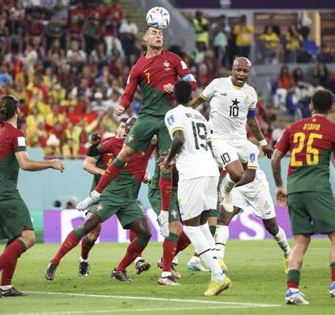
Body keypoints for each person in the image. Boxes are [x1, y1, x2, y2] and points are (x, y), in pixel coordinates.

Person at [79, 26, 196, 239]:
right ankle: (95, 195)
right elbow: (128, 93)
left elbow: (191, 82)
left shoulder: (174, 59)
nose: (158, 35)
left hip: (168, 119)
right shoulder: (139, 66)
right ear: (145, 38)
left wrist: (177, 85)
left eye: (160, 32)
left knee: (166, 165)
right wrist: (122, 106)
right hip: (147, 118)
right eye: (153, 32)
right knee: (124, 153)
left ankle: (162, 215)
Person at [0, 95, 65, 297]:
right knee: (28, 237)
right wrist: (51, 163)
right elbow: (25, 163)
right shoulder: (16, 134)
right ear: (17, 111)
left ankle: (6, 286)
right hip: (5, 193)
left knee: (14, 238)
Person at [271, 89, 335, 305]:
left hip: (294, 189)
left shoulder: (293, 128)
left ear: (310, 106)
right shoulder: (334, 131)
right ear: (332, 108)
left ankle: (292, 290)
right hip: (318, 189)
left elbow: (275, 159)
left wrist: (280, 186)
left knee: (300, 241)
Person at [45, 119, 150, 280]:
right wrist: (97, 152)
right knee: (90, 231)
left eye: (129, 128)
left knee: (144, 231)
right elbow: (88, 162)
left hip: (128, 197)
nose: (126, 131)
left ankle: (122, 267)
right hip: (105, 193)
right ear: (119, 130)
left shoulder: (143, 145)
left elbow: (139, 163)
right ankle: (57, 262)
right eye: (124, 127)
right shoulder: (111, 144)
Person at [163, 80, 230, 296]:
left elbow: (179, 138)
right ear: (191, 95)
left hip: (192, 173)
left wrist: (168, 160)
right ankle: (217, 268)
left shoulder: (174, 114)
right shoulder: (199, 115)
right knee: (202, 225)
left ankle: (218, 277)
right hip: (211, 170)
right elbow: (209, 143)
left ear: (174, 95)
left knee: (191, 227)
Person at [190, 57, 273, 213]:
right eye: (238, 70)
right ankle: (225, 191)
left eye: (245, 71)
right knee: (236, 172)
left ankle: (223, 187)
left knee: (252, 166)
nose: (241, 74)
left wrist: (263, 144)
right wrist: (185, 113)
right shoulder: (218, 84)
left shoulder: (251, 93)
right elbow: (198, 100)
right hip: (218, 138)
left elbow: (252, 120)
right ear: (232, 69)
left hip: (240, 140)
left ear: (249, 72)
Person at [215, 139, 291, 273]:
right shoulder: (223, 147)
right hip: (237, 187)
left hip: (256, 187)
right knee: (223, 219)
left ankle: (288, 253)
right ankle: (218, 259)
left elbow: (250, 175)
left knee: (271, 226)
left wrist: (225, 187)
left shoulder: (250, 148)